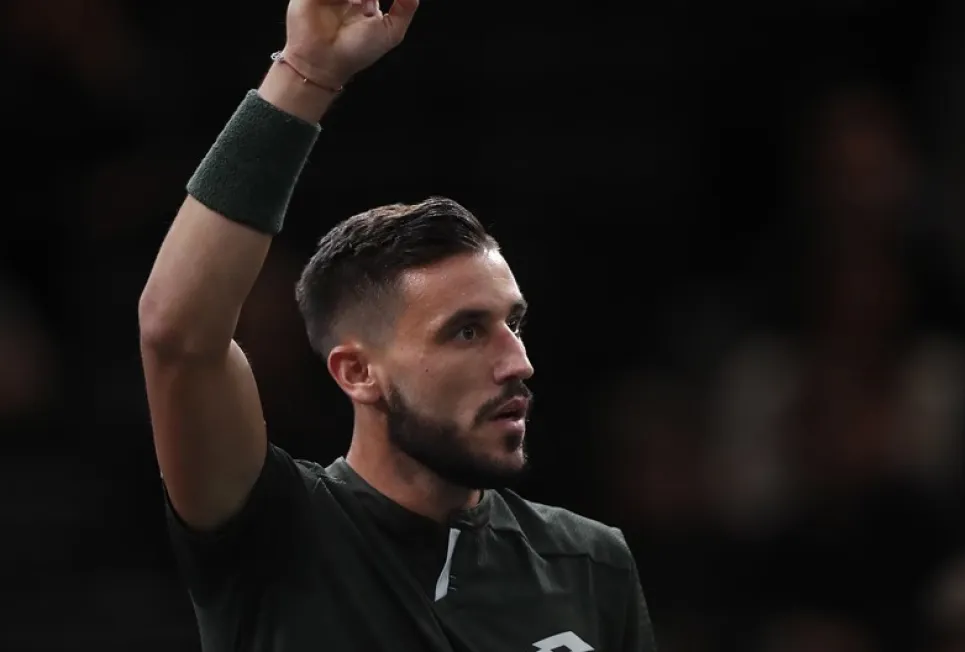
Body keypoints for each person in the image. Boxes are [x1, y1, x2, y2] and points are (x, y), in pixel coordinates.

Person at [137, 1, 656, 650]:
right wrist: (305, 72)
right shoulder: (277, 534)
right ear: (357, 372)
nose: (516, 362)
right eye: (465, 331)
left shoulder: (590, 564)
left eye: (513, 324)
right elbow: (177, 334)